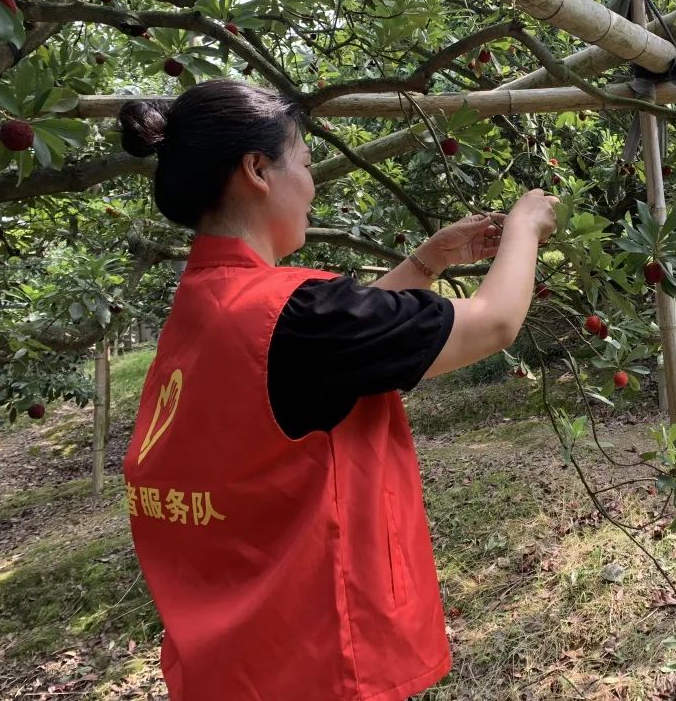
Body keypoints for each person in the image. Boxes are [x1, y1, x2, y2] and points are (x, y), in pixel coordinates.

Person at [118, 79, 559, 700]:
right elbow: (494, 322)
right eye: (304, 161)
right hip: (312, 660)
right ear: (256, 170)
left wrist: (426, 264)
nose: (313, 182)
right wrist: (526, 228)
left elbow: (324, 355)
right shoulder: (299, 316)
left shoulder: (207, 305)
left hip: (228, 660)